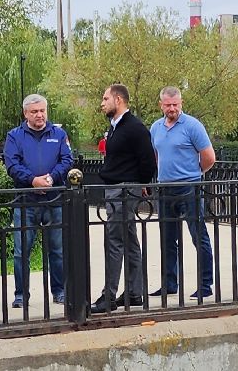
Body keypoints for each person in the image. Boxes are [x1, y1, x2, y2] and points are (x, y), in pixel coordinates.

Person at [3, 93, 74, 310]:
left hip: (55, 200)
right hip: (26, 201)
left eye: (42, 110)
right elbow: (12, 165)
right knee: (21, 251)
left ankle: (59, 291)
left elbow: (67, 160)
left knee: (58, 250)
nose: (39, 115)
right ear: (25, 113)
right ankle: (20, 294)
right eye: (34, 112)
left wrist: (52, 178)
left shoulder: (59, 134)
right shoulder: (14, 136)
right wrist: (32, 180)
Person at [92, 84, 156, 313]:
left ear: (118, 100)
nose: (102, 103)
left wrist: (142, 184)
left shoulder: (135, 127)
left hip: (123, 190)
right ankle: (134, 292)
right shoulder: (116, 127)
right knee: (128, 241)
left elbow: (148, 160)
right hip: (118, 188)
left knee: (115, 241)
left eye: (105, 98)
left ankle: (108, 296)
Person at [149, 87, 216, 301]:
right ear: (161, 105)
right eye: (168, 105)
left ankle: (205, 284)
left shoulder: (193, 126)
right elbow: (157, 155)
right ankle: (169, 283)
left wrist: (195, 173)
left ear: (181, 103)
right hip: (165, 188)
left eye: (175, 104)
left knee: (198, 235)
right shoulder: (156, 128)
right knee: (167, 238)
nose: (172, 108)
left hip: (189, 187)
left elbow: (209, 157)